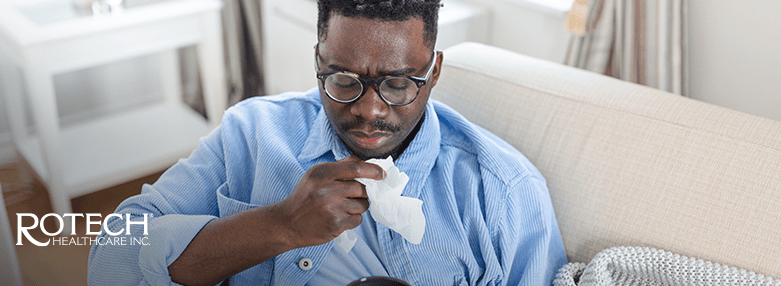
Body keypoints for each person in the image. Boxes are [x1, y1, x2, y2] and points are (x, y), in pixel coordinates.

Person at [87, 0, 567, 285]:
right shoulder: (251, 134)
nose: (370, 110)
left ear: (434, 70)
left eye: (398, 84)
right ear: (317, 58)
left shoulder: (503, 192)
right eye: (342, 79)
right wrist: (279, 226)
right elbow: (109, 259)